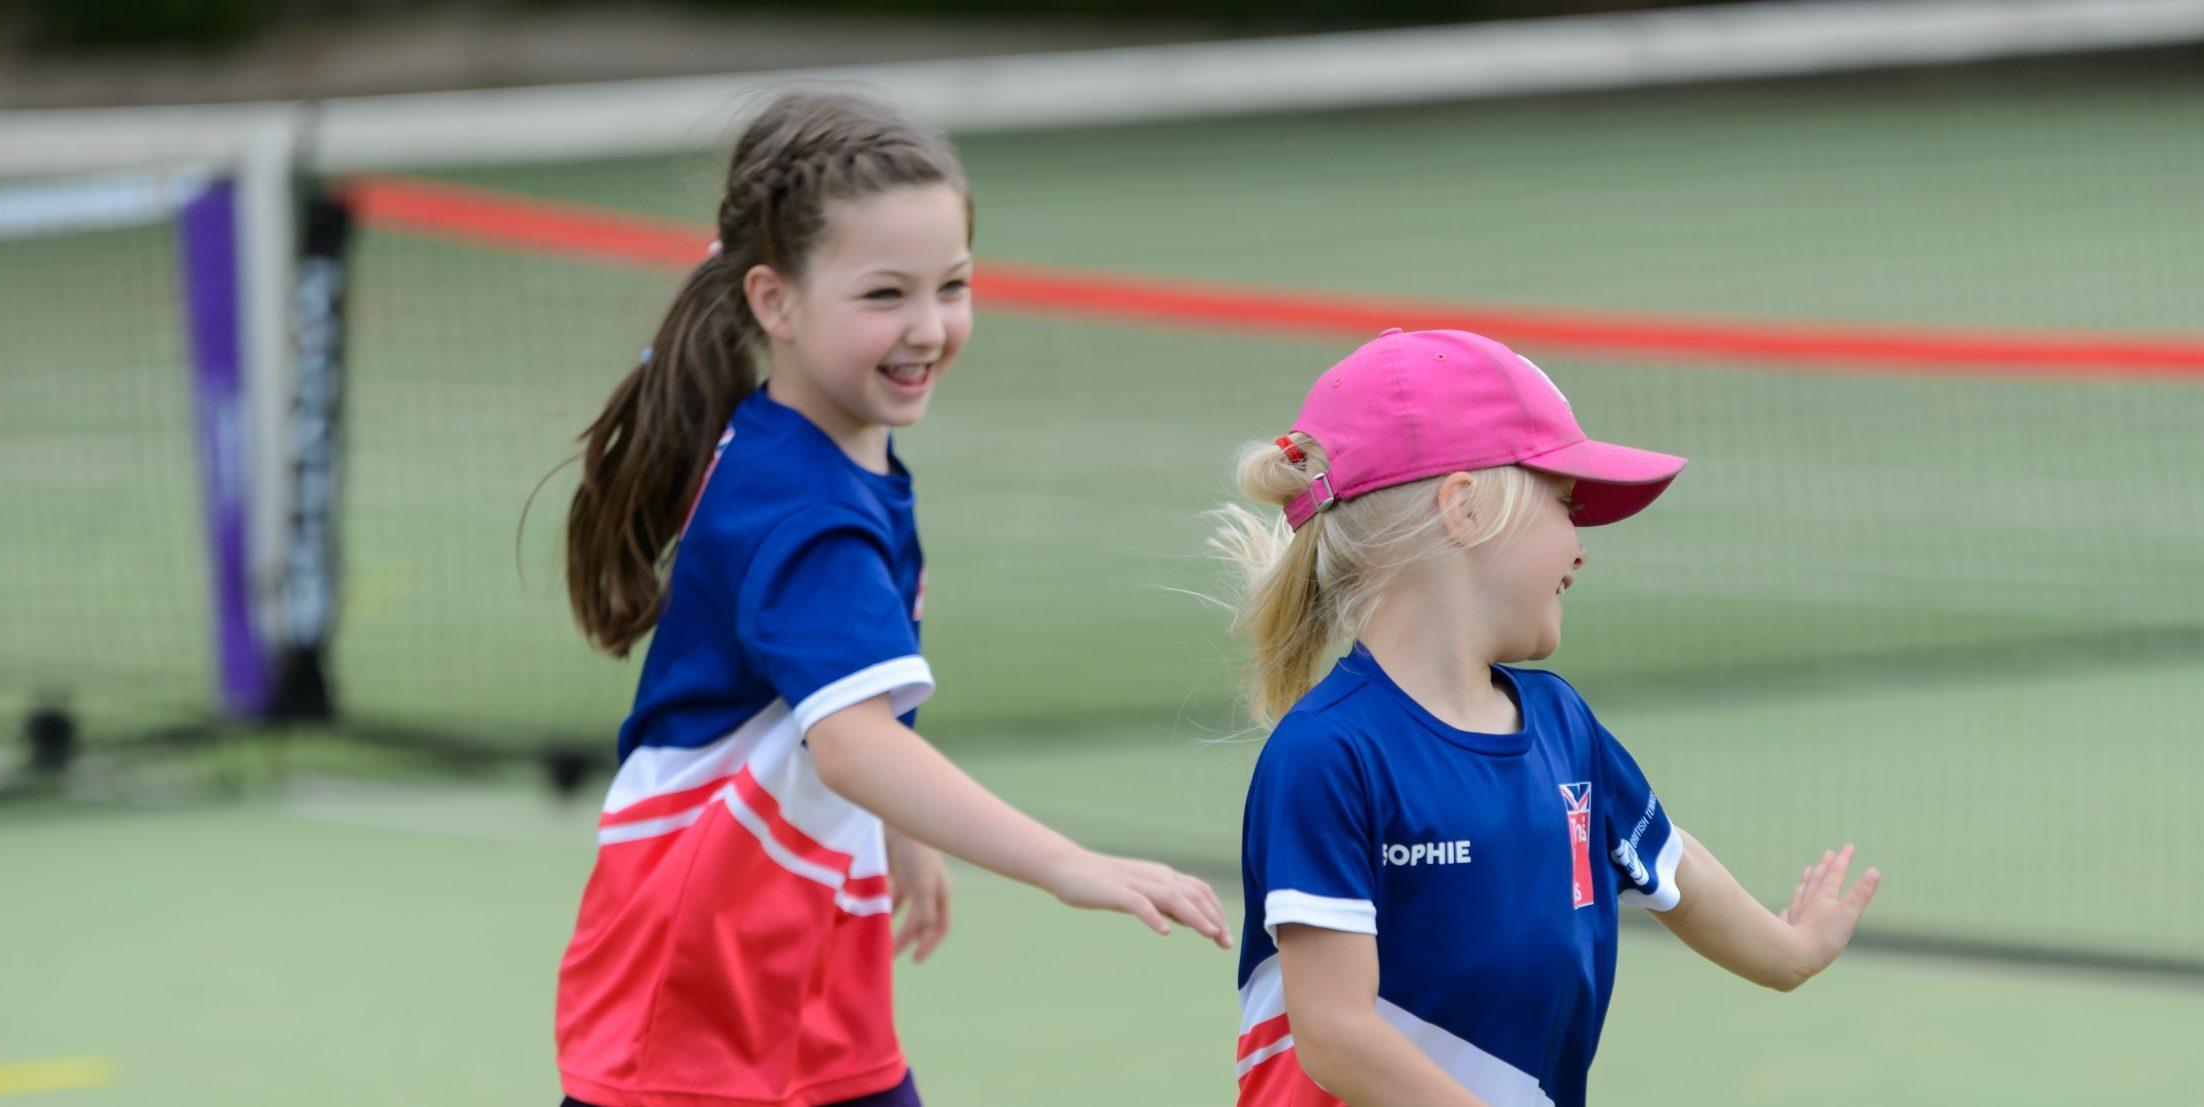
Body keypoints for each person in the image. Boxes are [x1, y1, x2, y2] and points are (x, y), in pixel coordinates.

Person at [553, 90, 1229, 1107]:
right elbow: (854, 740)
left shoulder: (837, 454)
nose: (927, 327)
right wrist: (1062, 863)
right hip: (699, 968)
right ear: (773, 301)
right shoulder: (803, 510)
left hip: (804, 936)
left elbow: (836, 700)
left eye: (951, 286)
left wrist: (900, 838)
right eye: (884, 296)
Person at [1212, 328, 1880, 1106]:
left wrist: (1789, 950)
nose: (1583, 542)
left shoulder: (1561, 725)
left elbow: (1667, 863)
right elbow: (1336, 1034)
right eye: (1564, 503)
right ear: (1463, 507)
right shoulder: (1330, 754)